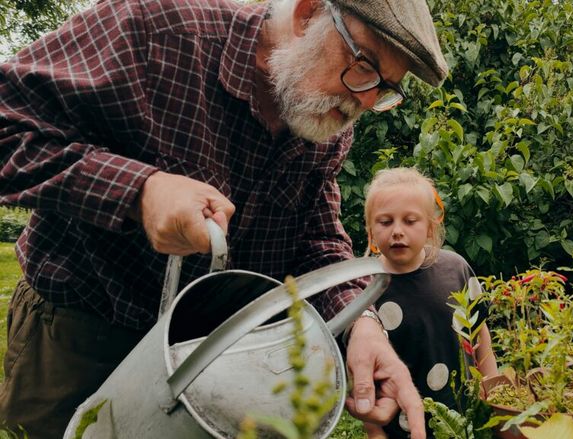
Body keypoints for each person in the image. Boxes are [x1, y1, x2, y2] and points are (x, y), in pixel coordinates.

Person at [0, 0, 450, 436]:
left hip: (209, 358)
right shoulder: (158, 29)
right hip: (78, 338)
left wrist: (361, 324)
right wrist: (140, 191)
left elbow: (315, 239)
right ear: (307, 13)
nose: (365, 100)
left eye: (385, 88)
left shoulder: (326, 122)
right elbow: (9, 124)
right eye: (364, 64)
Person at [360, 168, 498, 438]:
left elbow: (480, 333)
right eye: (385, 222)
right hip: (401, 427)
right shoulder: (365, 288)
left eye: (410, 221)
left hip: (465, 416)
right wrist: (374, 432)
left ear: (430, 227)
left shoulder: (455, 269)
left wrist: (492, 392)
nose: (397, 231)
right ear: (370, 230)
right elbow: (363, 370)